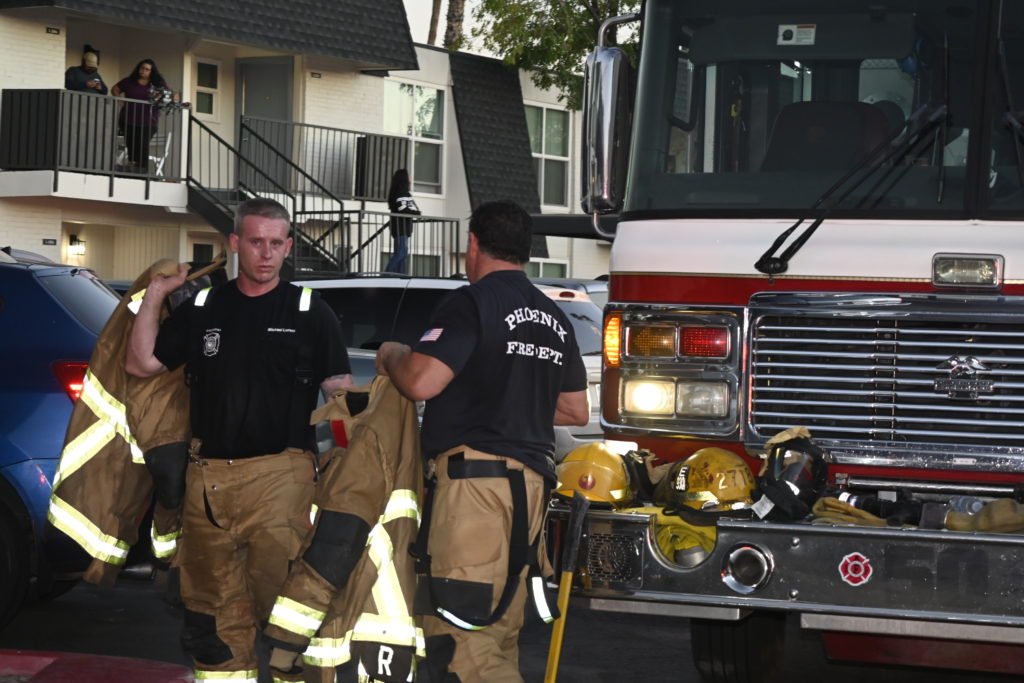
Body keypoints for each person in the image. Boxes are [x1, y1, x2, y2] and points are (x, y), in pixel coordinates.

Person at [125, 197, 353, 681]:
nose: (266, 254)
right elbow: (141, 363)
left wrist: (347, 472)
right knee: (212, 621)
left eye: (276, 243)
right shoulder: (204, 307)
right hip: (208, 486)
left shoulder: (311, 312)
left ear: (288, 247)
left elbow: (340, 399)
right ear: (234, 243)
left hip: (282, 484)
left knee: (291, 618)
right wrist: (156, 294)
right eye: (255, 242)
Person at [375, 200, 590, 683]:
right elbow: (575, 409)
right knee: (499, 635)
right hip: (530, 495)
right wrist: (507, 395)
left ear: (473, 244)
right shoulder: (553, 317)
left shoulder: (471, 302)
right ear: (526, 251)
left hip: (475, 494)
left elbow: (421, 382)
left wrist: (392, 355)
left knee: (460, 641)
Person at [112, 58, 170, 169]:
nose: (144, 71)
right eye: (142, 68)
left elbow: (167, 94)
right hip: (128, 119)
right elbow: (115, 89)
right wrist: (120, 100)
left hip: (148, 122)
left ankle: (142, 171)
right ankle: (133, 168)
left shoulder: (157, 83)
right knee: (131, 145)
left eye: (147, 69)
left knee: (142, 145)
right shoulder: (129, 81)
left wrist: (159, 97)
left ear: (151, 72)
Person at [383, 169, 421, 274]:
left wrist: (415, 213)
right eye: (408, 175)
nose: (410, 177)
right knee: (401, 253)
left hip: (399, 226)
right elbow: (403, 209)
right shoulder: (402, 192)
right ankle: (387, 274)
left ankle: (399, 276)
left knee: (401, 254)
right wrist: (416, 213)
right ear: (404, 178)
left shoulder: (398, 191)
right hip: (401, 227)